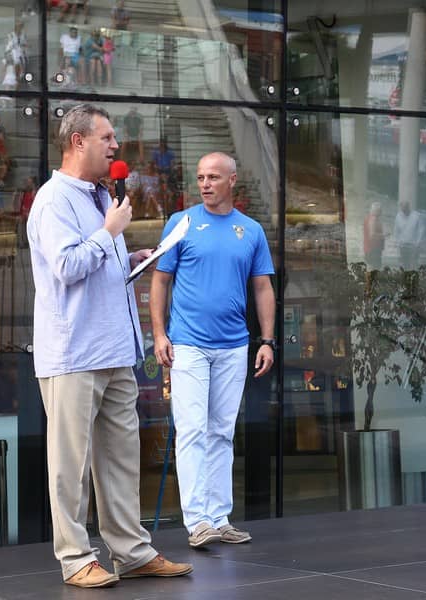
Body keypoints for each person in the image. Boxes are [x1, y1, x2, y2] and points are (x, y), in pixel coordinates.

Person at [26, 104, 192, 588]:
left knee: (120, 459)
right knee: (71, 465)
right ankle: (76, 558)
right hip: (74, 354)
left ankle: (132, 552)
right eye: (107, 137)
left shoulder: (101, 197)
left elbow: (95, 266)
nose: (116, 146)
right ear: (78, 142)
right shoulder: (53, 200)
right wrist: (110, 232)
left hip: (115, 350)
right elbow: (66, 267)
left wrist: (130, 257)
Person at [150, 152, 275, 548]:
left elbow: (262, 287)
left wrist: (267, 340)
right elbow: (160, 280)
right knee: (191, 431)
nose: (205, 184)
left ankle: (219, 518)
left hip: (234, 346)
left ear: (232, 180)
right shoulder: (181, 222)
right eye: (201, 177)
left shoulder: (251, 230)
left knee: (222, 432)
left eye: (213, 177)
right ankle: (197, 521)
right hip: (188, 345)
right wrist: (159, 335)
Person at [393, 199, 424, 269]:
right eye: (402, 209)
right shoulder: (398, 216)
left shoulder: (417, 216)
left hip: (414, 245)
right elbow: (396, 230)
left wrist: (418, 242)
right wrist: (397, 241)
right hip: (403, 245)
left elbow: (421, 230)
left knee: (413, 264)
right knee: (405, 264)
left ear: (408, 207)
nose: (403, 211)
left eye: (405, 208)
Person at [363, 202, 384, 270]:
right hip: (373, 249)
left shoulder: (368, 218)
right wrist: (384, 235)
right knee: (375, 268)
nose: (381, 212)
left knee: (370, 268)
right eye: (379, 210)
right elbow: (372, 235)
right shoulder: (373, 219)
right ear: (376, 211)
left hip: (368, 248)